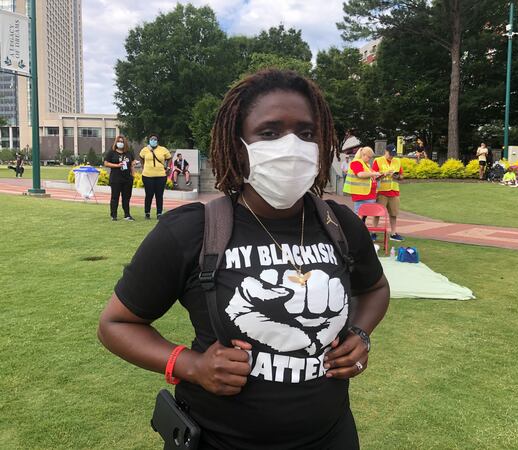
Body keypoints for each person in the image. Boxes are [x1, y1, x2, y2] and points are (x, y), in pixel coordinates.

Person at [97, 69, 390, 450]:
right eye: (269, 133)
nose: (291, 146)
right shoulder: (192, 230)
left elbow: (376, 287)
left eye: (305, 133)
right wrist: (191, 366)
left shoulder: (340, 224)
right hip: (219, 440)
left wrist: (361, 334)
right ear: (238, 147)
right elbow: (115, 324)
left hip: (331, 437)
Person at [372, 144, 404, 241]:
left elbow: (402, 176)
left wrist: (397, 177)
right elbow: (373, 177)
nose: (392, 156)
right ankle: (373, 232)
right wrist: (384, 174)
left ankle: (393, 233)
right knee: (377, 213)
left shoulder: (397, 161)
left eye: (393, 154)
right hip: (381, 191)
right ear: (386, 151)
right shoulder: (378, 161)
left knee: (394, 214)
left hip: (394, 191)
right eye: (390, 154)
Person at [139, 134, 172, 219]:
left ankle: (159, 213)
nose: (153, 141)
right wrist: (143, 166)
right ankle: (147, 212)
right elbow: (141, 157)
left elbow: (169, 158)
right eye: (151, 139)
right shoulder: (145, 150)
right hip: (147, 175)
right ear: (149, 140)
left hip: (161, 175)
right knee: (149, 194)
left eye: (155, 139)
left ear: (157, 141)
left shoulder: (163, 149)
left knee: (159, 195)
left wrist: (168, 167)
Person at [103, 136, 136, 221]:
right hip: (116, 178)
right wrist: (117, 165)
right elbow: (106, 163)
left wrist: (133, 175)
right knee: (115, 197)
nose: (120, 143)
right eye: (119, 141)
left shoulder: (128, 153)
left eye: (122, 141)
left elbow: (132, 164)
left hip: (127, 179)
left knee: (126, 197)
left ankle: (127, 215)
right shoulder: (112, 152)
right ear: (116, 143)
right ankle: (114, 215)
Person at [343, 146, 380, 214]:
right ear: (363, 155)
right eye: (368, 157)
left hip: (366, 194)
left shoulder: (366, 164)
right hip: (361, 194)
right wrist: (373, 174)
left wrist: (379, 175)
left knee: (363, 215)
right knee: (359, 215)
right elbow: (360, 174)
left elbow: (370, 175)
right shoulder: (356, 162)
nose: (369, 159)